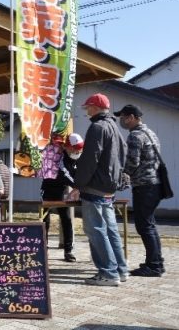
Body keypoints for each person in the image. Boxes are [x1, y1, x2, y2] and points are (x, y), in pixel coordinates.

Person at [74, 93, 129, 286]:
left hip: (95, 186)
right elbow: (123, 156)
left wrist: (78, 184)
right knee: (111, 230)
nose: (86, 111)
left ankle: (108, 273)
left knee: (96, 230)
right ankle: (121, 270)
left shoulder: (97, 127)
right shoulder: (115, 127)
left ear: (95, 108)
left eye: (88, 107)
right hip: (110, 188)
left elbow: (90, 160)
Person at [115, 104, 166, 277]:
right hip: (155, 185)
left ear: (131, 117)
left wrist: (120, 177)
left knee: (144, 226)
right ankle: (156, 262)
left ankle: (154, 266)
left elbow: (132, 163)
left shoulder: (135, 136)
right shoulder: (150, 133)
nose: (121, 121)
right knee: (149, 225)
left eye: (123, 117)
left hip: (144, 186)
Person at [40, 133, 84, 262]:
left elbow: (78, 172)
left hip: (62, 190)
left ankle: (68, 250)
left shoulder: (75, 156)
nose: (77, 151)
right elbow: (65, 174)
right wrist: (78, 186)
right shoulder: (57, 156)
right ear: (68, 147)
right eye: (75, 148)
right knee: (45, 221)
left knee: (66, 219)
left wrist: (80, 185)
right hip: (48, 189)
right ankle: (43, 248)